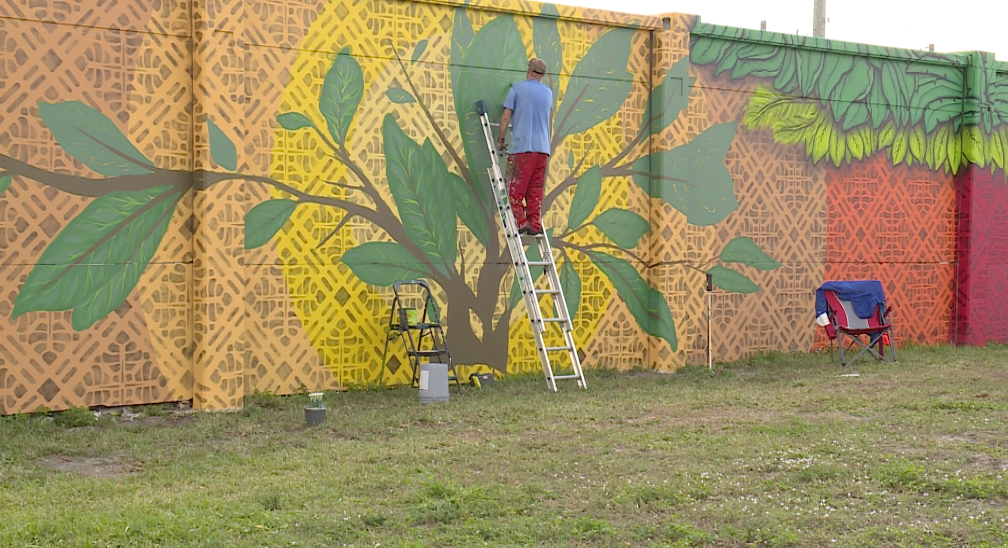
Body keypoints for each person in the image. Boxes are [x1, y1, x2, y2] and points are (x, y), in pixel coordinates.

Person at [497, 58, 552, 236]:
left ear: (528, 71)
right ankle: (534, 223)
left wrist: (500, 139)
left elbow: (505, 117)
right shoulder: (548, 94)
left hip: (522, 148)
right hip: (542, 150)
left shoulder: (517, 89)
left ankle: (521, 222)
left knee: (514, 189)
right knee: (535, 190)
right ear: (542, 75)